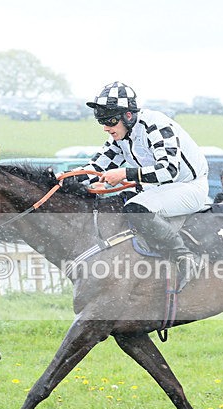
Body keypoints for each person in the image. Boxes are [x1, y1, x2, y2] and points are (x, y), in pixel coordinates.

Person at [81, 81, 209, 285]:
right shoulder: (121, 136)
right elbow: (95, 168)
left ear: (128, 115)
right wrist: (59, 179)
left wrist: (124, 173)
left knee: (136, 208)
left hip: (189, 186)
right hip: (161, 188)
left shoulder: (156, 125)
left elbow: (169, 170)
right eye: (101, 122)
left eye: (110, 121)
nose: (106, 128)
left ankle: (185, 256)